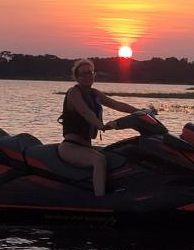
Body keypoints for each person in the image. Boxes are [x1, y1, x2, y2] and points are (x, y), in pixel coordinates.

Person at [58, 58, 152, 197]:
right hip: (71, 147)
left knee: (118, 154)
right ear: (76, 77)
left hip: (86, 147)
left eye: (90, 73)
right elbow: (85, 112)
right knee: (99, 160)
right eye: (83, 73)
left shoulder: (94, 93)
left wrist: (141, 112)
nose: (87, 76)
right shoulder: (73, 92)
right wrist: (100, 125)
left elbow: (116, 104)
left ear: (94, 75)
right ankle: (100, 200)